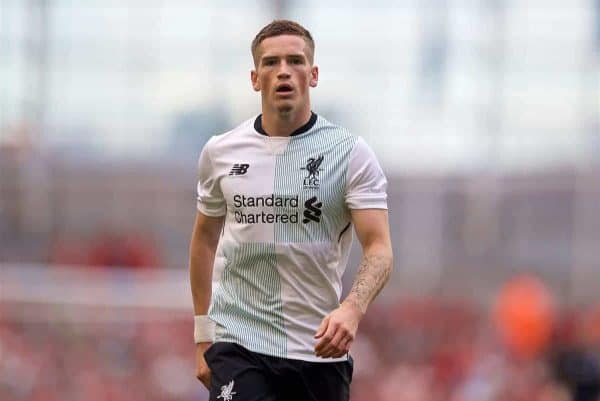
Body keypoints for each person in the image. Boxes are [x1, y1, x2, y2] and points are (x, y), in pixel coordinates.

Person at [190, 19, 393, 401]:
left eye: (295, 61)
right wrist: (203, 335)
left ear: (313, 74)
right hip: (239, 344)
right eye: (271, 62)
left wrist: (351, 310)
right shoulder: (221, 152)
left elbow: (380, 249)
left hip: (317, 350)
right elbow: (203, 240)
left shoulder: (350, 155)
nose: (283, 70)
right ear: (255, 78)